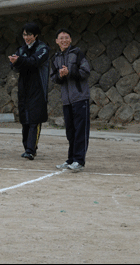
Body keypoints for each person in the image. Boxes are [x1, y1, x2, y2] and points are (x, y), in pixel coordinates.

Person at [8, 22, 50, 160]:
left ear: (36, 35)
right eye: (25, 34)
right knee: (25, 119)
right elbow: (15, 65)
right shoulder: (21, 49)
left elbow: (34, 62)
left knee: (35, 119)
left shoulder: (43, 48)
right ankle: (28, 147)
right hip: (24, 88)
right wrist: (15, 61)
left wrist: (19, 61)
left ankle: (31, 149)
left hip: (38, 88)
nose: (26, 37)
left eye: (29, 35)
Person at [50, 28, 90, 172]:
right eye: (61, 38)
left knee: (81, 131)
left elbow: (86, 71)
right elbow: (53, 77)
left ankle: (79, 161)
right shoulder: (55, 58)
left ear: (71, 40)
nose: (64, 40)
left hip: (80, 98)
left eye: (67, 37)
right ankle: (71, 159)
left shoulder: (77, 53)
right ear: (56, 41)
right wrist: (61, 75)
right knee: (70, 132)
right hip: (66, 100)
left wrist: (70, 72)